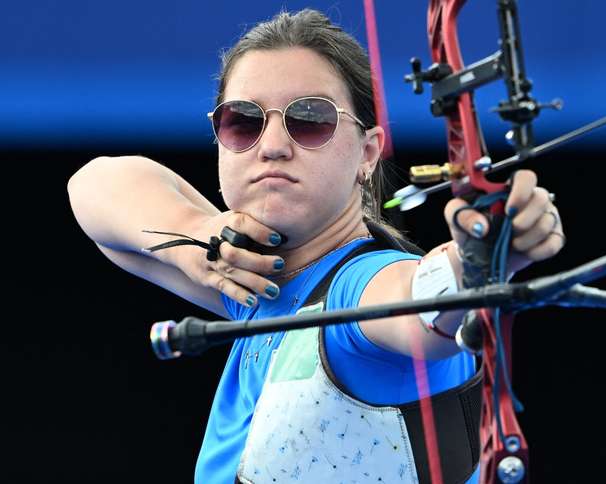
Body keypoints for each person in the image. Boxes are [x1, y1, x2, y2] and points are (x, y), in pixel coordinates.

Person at [67, 9, 565, 484]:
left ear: (367, 153)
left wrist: (479, 258)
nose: (274, 144)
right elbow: (93, 187)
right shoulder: (256, 293)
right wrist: (198, 245)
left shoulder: (358, 288)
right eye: (244, 121)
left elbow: (417, 306)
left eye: (310, 120)